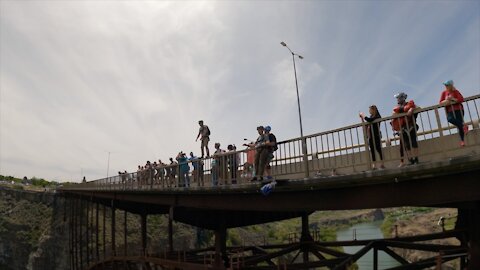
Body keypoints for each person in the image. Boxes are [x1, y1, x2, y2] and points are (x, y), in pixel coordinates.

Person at [392, 92, 419, 167]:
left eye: (398, 98)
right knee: (407, 145)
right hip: (403, 128)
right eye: (397, 98)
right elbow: (393, 114)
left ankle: (416, 159)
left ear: (402, 98)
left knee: (413, 142)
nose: (397, 99)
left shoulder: (410, 104)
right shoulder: (396, 108)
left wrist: (411, 109)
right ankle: (411, 160)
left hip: (411, 126)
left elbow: (418, 108)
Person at [439, 80, 468, 147]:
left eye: (447, 85)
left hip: (459, 110)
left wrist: (453, 99)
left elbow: (461, 99)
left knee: (459, 127)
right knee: (450, 119)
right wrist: (447, 100)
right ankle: (464, 126)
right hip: (450, 111)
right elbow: (440, 102)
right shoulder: (444, 92)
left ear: (451, 85)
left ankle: (462, 141)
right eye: (445, 85)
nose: (446, 86)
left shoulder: (455, 91)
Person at [359, 105, 385, 169]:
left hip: (376, 135)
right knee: (372, 150)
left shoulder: (377, 116)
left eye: (370, 110)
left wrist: (363, 115)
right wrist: (362, 118)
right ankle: (374, 165)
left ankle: (382, 164)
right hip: (371, 136)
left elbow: (369, 120)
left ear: (373, 110)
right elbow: (366, 123)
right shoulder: (371, 116)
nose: (369, 111)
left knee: (378, 149)